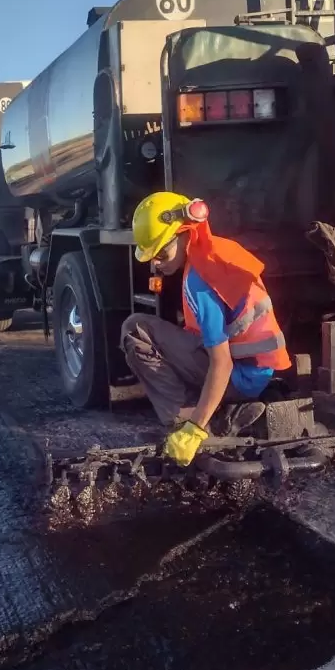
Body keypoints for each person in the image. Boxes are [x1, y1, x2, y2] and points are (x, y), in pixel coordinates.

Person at [121, 192, 291, 467]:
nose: (156, 263)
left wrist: (195, 429)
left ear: (186, 231)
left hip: (237, 376)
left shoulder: (198, 281)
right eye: (151, 256)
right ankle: (226, 410)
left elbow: (221, 362)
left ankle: (189, 421)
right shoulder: (218, 251)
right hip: (256, 373)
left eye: (162, 252)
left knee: (135, 329)